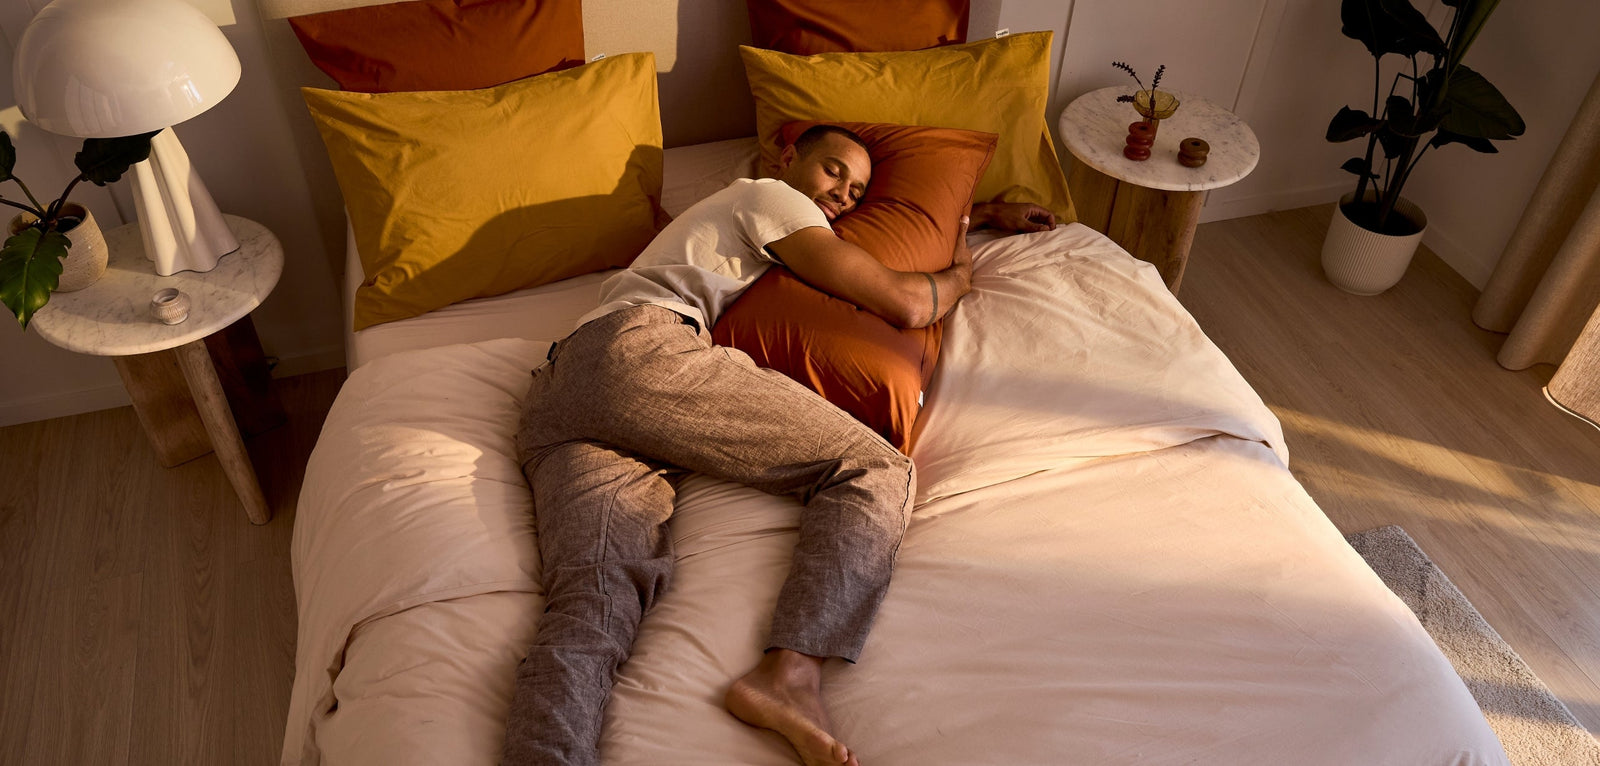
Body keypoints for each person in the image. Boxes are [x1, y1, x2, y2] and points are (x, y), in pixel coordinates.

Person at [502, 124, 1055, 766]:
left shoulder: (746, 215)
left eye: (857, 191)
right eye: (832, 171)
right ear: (788, 158)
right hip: (638, 355)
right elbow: (904, 303)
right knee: (873, 466)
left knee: (591, 608)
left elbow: (899, 231)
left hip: (557, 396)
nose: (843, 196)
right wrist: (962, 272)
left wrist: (976, 214)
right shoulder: (769, 196)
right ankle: (789, 674)